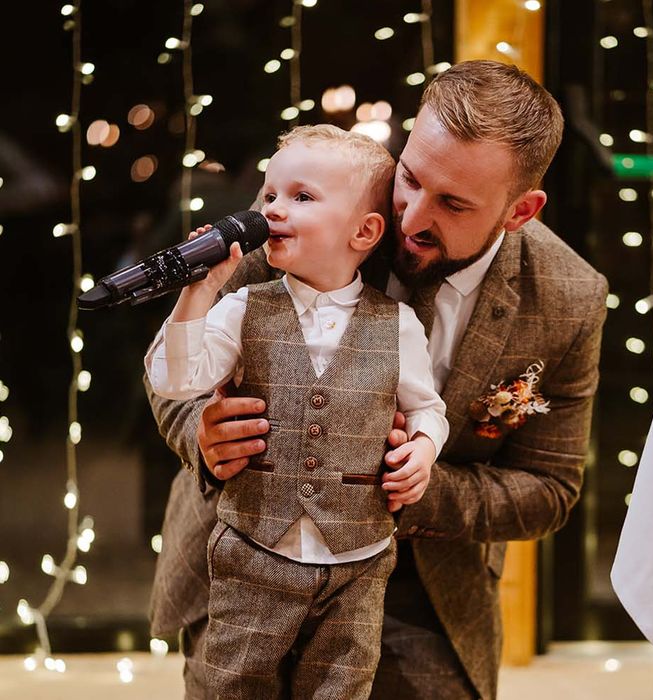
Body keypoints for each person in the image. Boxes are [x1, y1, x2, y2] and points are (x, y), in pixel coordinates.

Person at [145, 60, 608, 700]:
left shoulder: (569, 297)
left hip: (428, 584)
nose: (410, 216)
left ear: (520, 210)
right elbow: (181, 363)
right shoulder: (313, 202)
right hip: (248, 546)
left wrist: (402, 485)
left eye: (452, 203)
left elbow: (548, 488)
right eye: (410, 178)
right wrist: (202, 431)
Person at [145, 124, 449, 699]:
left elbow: (427, 408)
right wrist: (197, 293)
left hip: (357, 562)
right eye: (269, 195)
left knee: (342, 688)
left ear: (364, 231)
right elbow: (175, 378)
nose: (273, 211)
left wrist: (424, 448)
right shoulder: (242, 306)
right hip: (253, 551)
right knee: (232, 684)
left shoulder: (398, 323)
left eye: (301, 197)